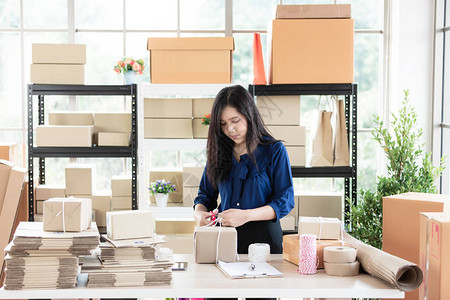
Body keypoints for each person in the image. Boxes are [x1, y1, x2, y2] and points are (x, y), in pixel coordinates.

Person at [193, 85, 295, 255]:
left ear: (249, 115)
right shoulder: (218, 152)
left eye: (235, 121)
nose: (230, 130)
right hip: (224, 240)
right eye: (223, 124)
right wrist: (199, 214)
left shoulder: (274, 151)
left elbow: (284, 200)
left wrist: (247, 215)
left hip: (265, 244)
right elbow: (205, 195)